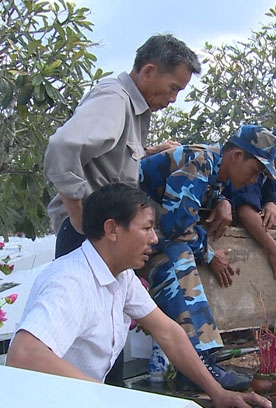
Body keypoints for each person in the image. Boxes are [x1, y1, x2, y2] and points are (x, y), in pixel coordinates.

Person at [6, 183, 271, 408]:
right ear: (112, 230)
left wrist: (219, 394)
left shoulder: (121, 277)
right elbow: (24, 355)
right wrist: (109, 399)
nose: (155, 239)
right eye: (146, 229)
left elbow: (168, 332)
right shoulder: (70, 281)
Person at [137, 124, 276, 391]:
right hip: (126, 228)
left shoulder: (216, 172)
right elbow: (176, 227)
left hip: (143, 230)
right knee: (178, 258)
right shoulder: (200, 161)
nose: (253, 180)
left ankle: (195, 363)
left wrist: (221, 199)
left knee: (172, 262)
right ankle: (201, 358)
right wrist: (210, 254)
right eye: (254, 171)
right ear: (236, 156)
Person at [44, 33, 204, 259]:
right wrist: (80, 220)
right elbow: (62, 148)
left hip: (106, 236)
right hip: (89, 238)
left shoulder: (134, 108)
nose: (173, 99)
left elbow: (110, 159)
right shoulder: (114, 99)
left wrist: (149, 152)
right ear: (148, 72)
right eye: (173, 88)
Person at [225, 127, 276, 282]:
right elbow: (245, 211)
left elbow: (271, 192)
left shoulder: (266, 175)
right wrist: (273, 248)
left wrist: (272, 204)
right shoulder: (248, 170)